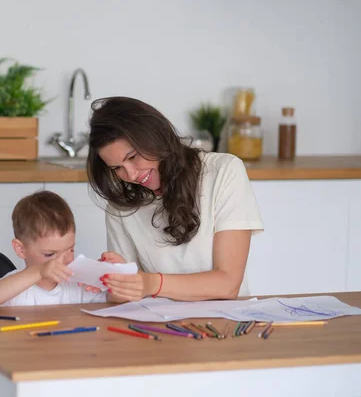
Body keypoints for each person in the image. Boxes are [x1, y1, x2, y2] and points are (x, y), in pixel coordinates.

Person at [86, 96, 264, 302]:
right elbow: (124, 297)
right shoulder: (121, 205)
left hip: (228, 324)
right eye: (117, 168)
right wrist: (111, 282)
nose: (131, 175)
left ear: (154, 137)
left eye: (132, 157)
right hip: (160, 326)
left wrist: (151, 284)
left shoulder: (223, 171)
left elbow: (228, 284)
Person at [0, 190, 124, 307]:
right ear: (20, 249)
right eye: (50, 254)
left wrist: (118, 278)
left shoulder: (76, 285)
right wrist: (40, 271)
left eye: (70, 249)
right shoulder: (16, 286)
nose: (65, 260)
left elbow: (111, 302)